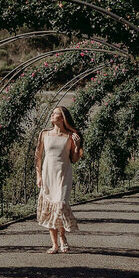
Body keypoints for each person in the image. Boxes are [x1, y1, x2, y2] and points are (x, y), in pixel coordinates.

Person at [35, 106, 84, 253]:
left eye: (55, 114)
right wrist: (38, 176)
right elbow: (38, 156)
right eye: (52, 113)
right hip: (48, 175)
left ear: (62, 118)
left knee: (61, 205)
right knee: (49, 208)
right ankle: (54, 244)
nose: (52, 115)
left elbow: (74, 159)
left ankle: (62, 237)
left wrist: (77, 146)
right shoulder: (44, 134)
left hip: (63, 174)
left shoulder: (70, 135)